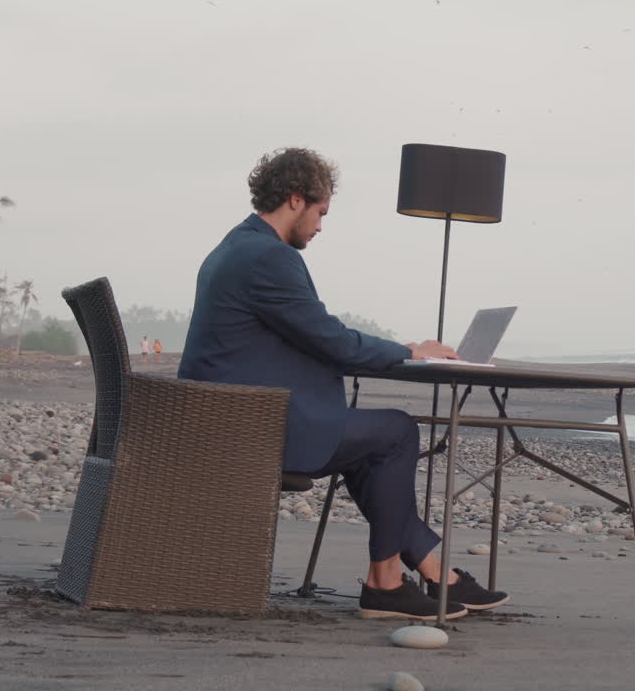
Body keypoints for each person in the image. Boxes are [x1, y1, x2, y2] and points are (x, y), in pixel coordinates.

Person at [179, 148, 509, 621]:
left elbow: (311, 335)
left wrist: (400, 351)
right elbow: (330, 339)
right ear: (296, 199)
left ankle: (435, 572)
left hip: (229, 415)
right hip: (248, 428)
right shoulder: (266, 257)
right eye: (320, 212)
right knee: (395, 432)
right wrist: (411, 352)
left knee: (366, 445)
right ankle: (386, 584)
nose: (320, 226)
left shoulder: (238, 245)